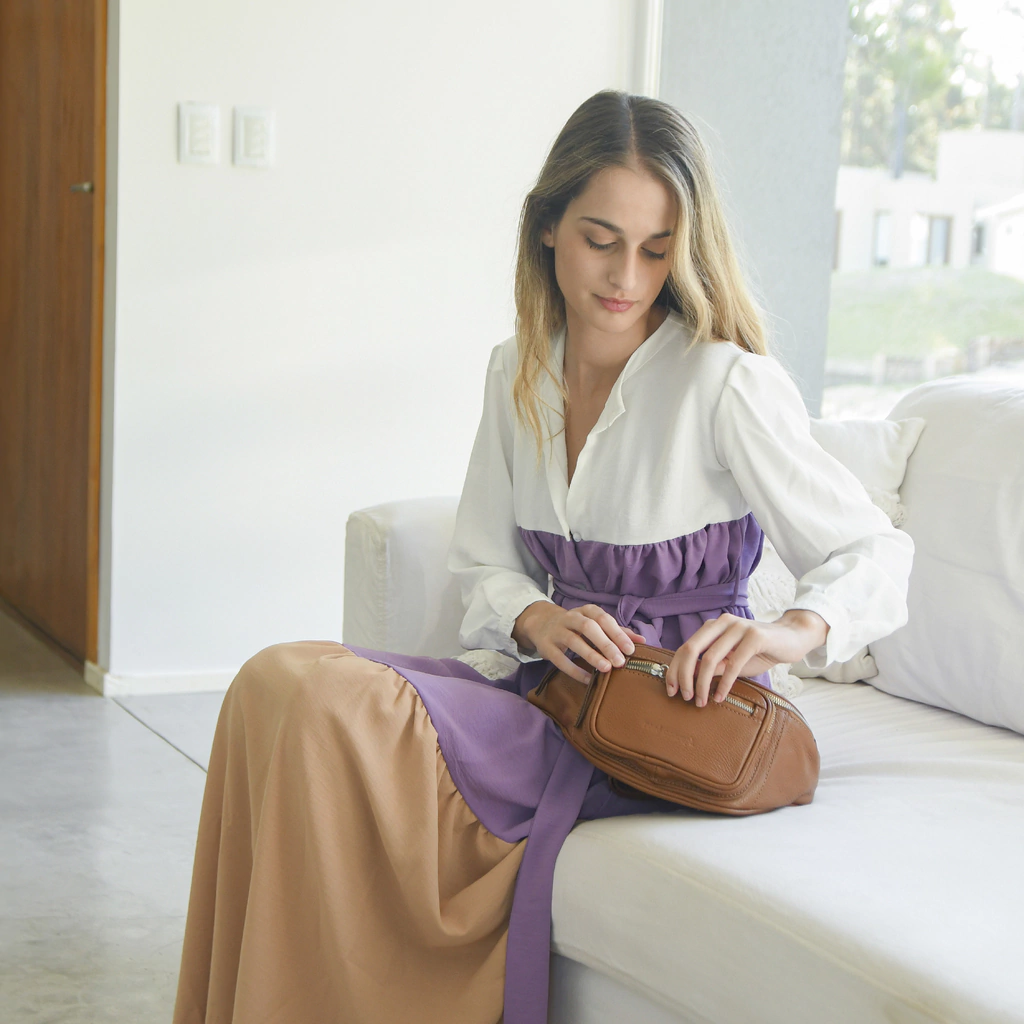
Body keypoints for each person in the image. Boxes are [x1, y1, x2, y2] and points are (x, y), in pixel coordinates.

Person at [172, 90, 913, 1024]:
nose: (628, 277)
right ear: (548, 226)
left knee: (320, 701)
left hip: (667, 724)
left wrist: (787, 632)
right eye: (602, 241)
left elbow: (875, 548)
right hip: (553, 694)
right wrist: (534, 615)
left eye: (657, 250)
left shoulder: (723, 381)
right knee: (270, 684)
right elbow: (484, 561)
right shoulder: (516, 368)